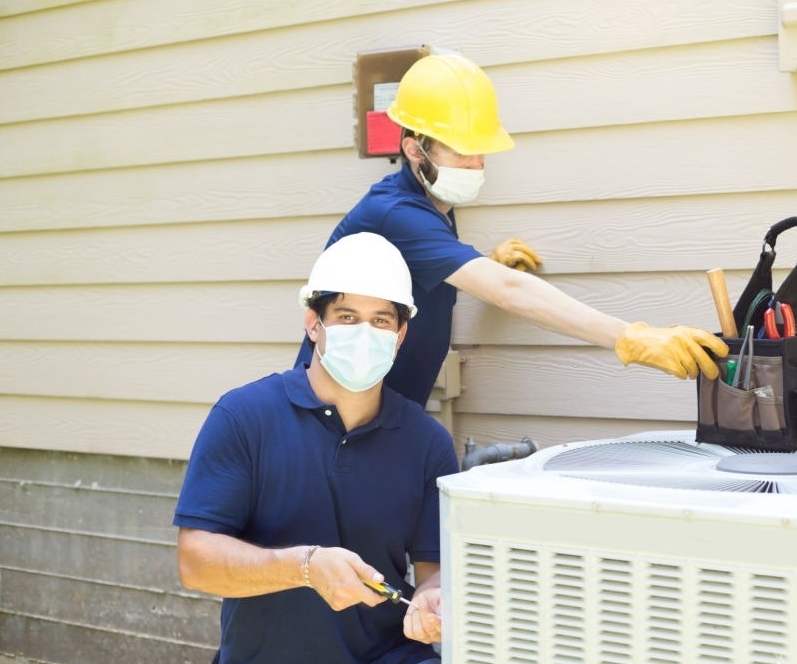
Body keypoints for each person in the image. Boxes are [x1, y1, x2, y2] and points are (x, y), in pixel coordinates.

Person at [295, 53, 728, 407]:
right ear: (414, 149)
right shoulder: (394, 212)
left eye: (481, 150)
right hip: (330, 416)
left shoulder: (434, 203)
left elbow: (425, 270)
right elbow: (509, 291)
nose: (477, 164)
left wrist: (482, 263)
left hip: (384, 415)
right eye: (463, 151)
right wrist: (631, 338)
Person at [175, 233, 457, 664]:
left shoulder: (427, 443)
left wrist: (432, 599)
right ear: (313, 323)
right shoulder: (245, 417)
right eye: (347, 317)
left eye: (381, 321)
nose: (365, 334)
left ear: (400, 334)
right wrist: (304, 567)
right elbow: (195, 562)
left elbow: (433, 572)